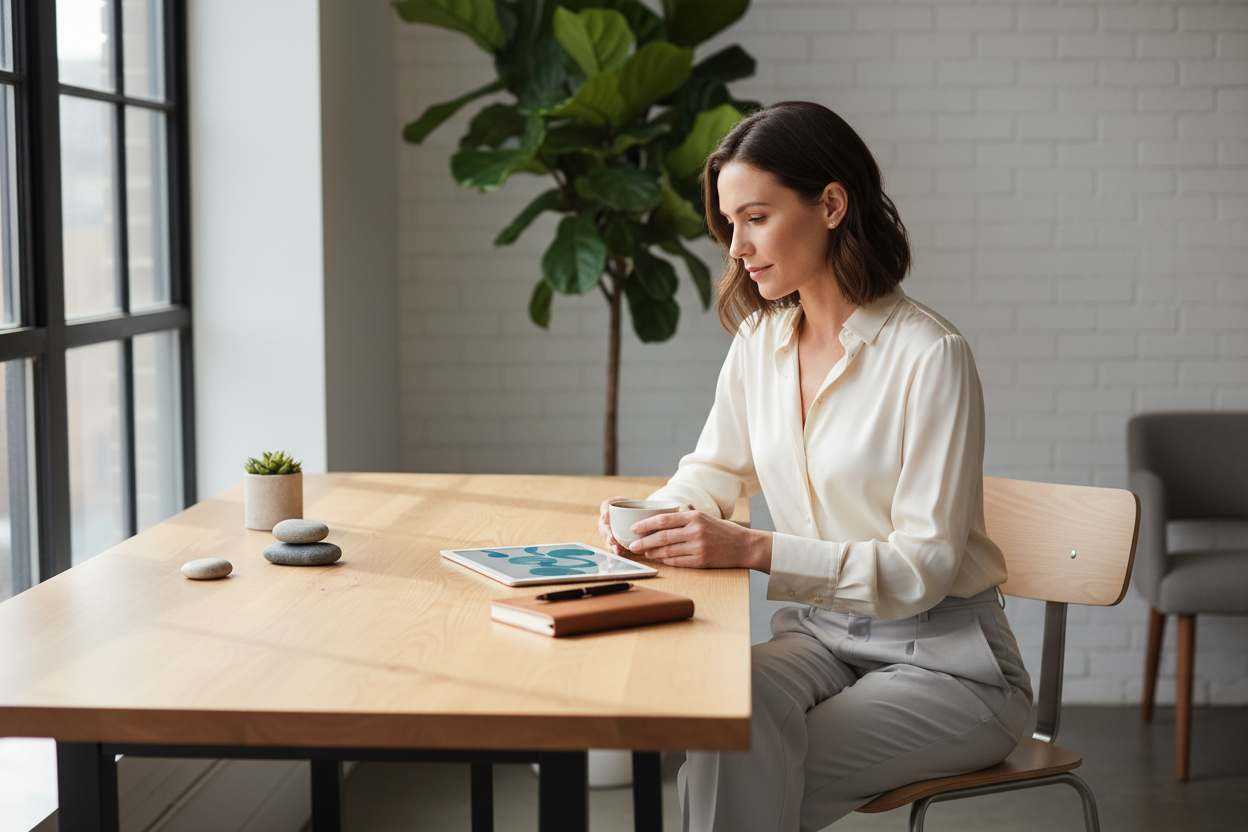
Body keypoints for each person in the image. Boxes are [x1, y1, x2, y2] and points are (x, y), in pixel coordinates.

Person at [596, 102, 1031, 832]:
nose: (737, 247)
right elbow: (713, 472)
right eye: (729, 223)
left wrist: (756, 550)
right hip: (820, 637)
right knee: (725, 714)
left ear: (831, 205)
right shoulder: (759, 344)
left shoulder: (930, 356)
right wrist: (650, 520)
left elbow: (923, 566)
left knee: (745, 768)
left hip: (950, 664)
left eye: (756, 218)